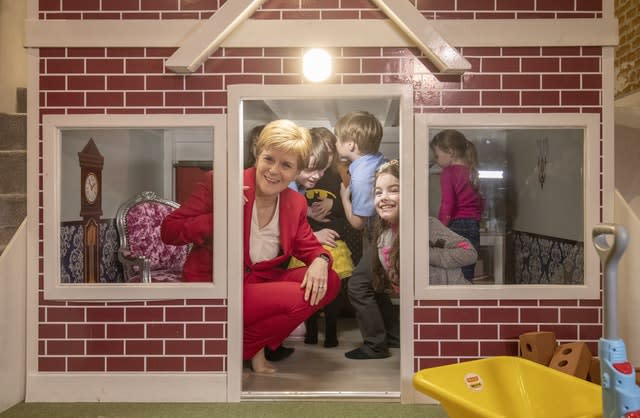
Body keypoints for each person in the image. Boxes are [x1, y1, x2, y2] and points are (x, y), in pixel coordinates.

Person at [161, 119, 340, 373]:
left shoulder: (295, 202)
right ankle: (248, 351)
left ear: (296, 171)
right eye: (269, 159)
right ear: (258, 154)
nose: (274, 171)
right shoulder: (221, 182)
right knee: (296, 295)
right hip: (221, 286)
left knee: (330, 281)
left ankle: (238, 348)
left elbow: (310, 247)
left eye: (286, 165)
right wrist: (222, 214)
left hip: (261, 284)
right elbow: (169, 231)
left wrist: (321, 261)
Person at [288, 127, 361, 348]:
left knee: (330, 291)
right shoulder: (292, 185)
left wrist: (332, 204)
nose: (317, 174)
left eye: (323, 168)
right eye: (313, 168)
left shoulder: (327, 179)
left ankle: (329, 333)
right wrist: (313, 233)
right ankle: (309, 332)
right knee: (307, 290)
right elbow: (288, 225)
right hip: (307, 244)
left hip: (329, 243)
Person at [334, 111, 398, 360]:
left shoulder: (360, 177)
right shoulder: (380, 161)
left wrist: (344, 197)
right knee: (376, 285)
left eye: (338, 139)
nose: (337, 144)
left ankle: (375, 345)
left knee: (358, 286)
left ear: (351, 144)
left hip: (379, 233)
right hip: (389, 232)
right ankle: (393, 337)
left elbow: (358, 223)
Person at [370, 159, 477, 293]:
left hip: (452, 300)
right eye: (378, 192)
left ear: (411, 194)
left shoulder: (427, 226)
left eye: (394, 190)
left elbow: (469, 253)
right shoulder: (383, 236)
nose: (383, 197)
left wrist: (426, 254)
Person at [430, 129, 483, 282]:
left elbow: (447, 204)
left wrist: (440, 227)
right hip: (473, 225)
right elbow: (481, 201)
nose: (436, 159)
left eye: (437, 155)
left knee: (454, 268)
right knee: (468, 263)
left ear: (451, 152)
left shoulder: (448, 172)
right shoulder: (472, 171)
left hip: (456, 224)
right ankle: (468, 297)